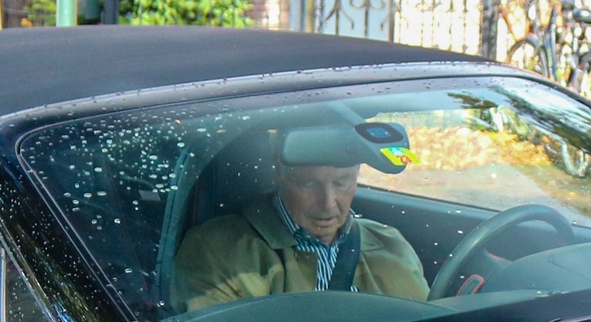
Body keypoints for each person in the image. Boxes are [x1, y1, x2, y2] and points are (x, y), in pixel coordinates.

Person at [171, 123, 429, 310]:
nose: (328, 204)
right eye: (308, 184)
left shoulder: (391, 243)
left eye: (342, 183)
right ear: (280, 173)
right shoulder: (216, 251)